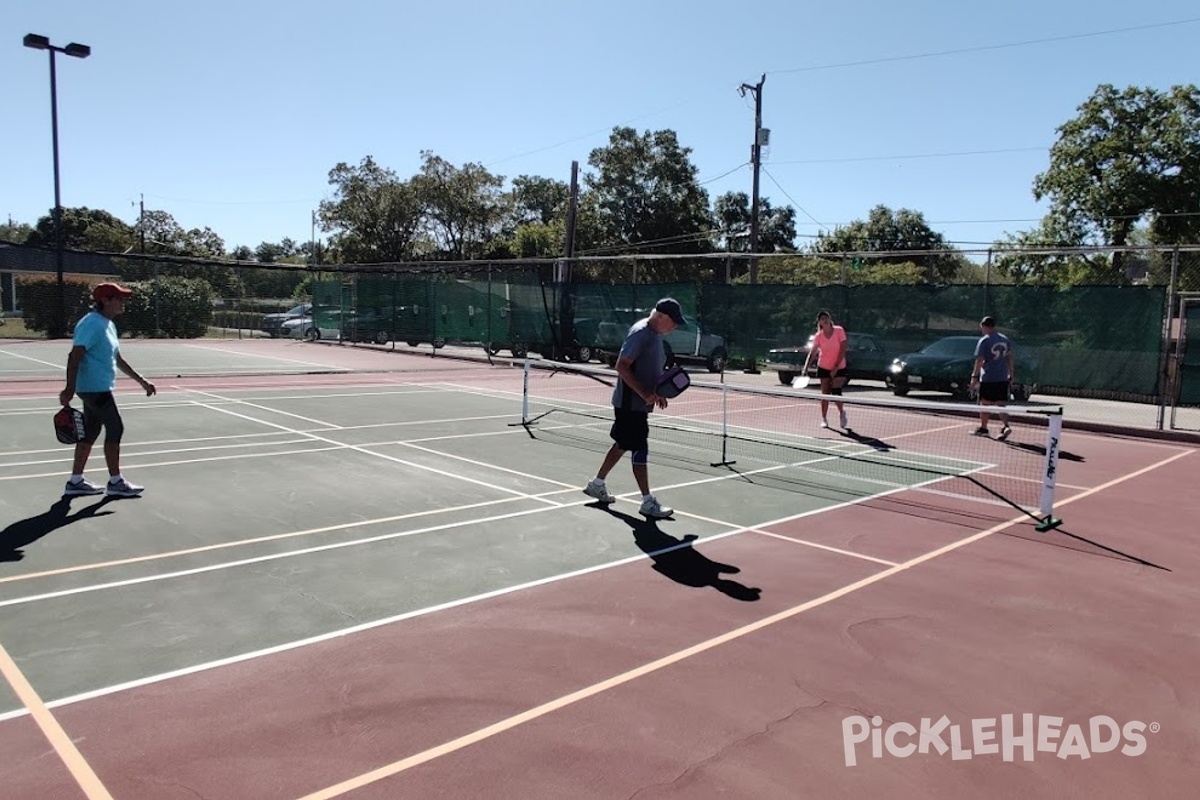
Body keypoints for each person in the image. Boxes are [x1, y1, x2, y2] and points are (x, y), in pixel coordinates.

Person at [583, 298, 685, 519]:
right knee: (640, 447)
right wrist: (644, 394)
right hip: (630, 404)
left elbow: (646, 369)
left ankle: (597, 484)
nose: (675, 326)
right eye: (673, 321)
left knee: (622, 444)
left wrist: (656, 392)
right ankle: (647, 502)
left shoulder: (654, 335)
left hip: (637, 403)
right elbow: (622, 365)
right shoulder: (641, 333)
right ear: (661, 316)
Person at [60, 282, 157, 497]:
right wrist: (69, 388)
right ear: (105, 300)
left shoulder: (108, 324)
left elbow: (117, 358)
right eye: (119, 298)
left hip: (97, 387)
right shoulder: (92, 324)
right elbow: (75, 356)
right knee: (116, 428)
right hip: (94, 389)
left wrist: (141, 381)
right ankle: (116, 482)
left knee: (91, 432)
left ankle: (75, 481)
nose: (123, 302)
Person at [801, 310, 850, 429]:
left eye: (826, 317)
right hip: (824, 366)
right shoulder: (819, 336)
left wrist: (836, 367)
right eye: (822, 319)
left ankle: (842, 413)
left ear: (829, 319)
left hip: (840, 366)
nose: (825, 320)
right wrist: (805, 368)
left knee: (836, 390)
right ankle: (824, 418)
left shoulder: (839, 331)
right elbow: (812, 353)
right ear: (820, 323)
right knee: (825, 393)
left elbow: (843, 349)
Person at [970, 316, 1014, 440]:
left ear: (984, 326)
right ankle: (1006, 426)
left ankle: (983, 428)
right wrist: (1011, 374)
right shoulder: (1005, 339)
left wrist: (974, 376)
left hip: (988, 377)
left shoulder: (984, 341)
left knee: (985, 404)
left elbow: (979, 360)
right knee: (1001, 404)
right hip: (1002, 377)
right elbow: (1010, 358)